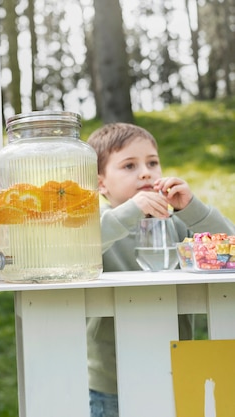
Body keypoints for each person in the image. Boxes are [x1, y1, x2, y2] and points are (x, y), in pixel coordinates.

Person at [85, 122, 235, 417]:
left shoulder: (176, 222)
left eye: (152, 163)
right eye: (129, 166)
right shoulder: (96, 224)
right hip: (112, 381)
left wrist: (191, 208)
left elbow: (229, 247)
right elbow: (79, 248)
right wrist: (132, 211)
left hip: (176, 371)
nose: (145, 172)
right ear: (101, 183)